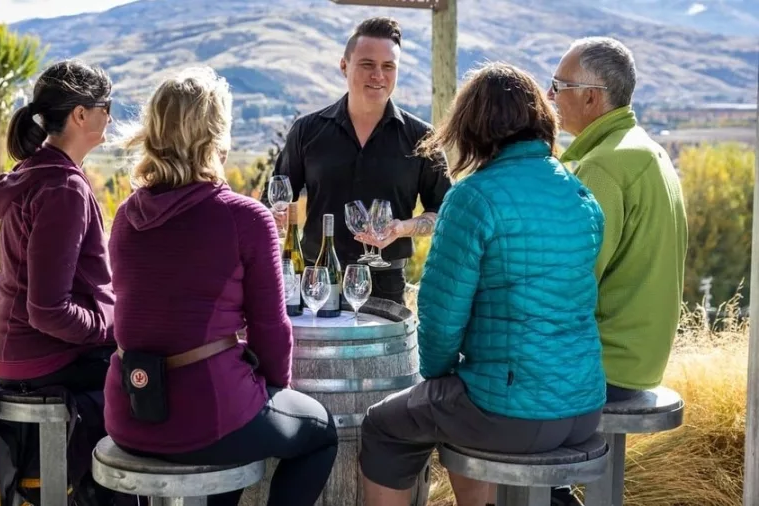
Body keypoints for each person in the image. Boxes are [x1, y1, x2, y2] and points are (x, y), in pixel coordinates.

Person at [357, 62, 607, 506]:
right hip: (584, 406)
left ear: (473, 126)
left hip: (510, 411)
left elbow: (440, 315)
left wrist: (435, 375)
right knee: (453, 401)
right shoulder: (578, 192)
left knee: (384, 426)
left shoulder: (473, 197)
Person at [103, 66, 338, 506]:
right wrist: (273, 391)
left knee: (231, 419)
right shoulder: (244, 218)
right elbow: (271, 330)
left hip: (128, 412)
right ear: (216, 136)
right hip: (204, 414)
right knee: (320, 431)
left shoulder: (126, 217)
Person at [267, 16, 451, 305]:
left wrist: (402, 229)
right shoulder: (307, 131)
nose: (378, 74)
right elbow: (278, 198)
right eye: (367, 64)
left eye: (388, 66)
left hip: (386, 284)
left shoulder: (423, 138)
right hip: (316, 281)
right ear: (344, 66)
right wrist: (277, 217)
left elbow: (444, 214)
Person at [549, 37, 688, 403]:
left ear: (591, 97)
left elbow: (572, 282)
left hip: (602, 367)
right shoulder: (647, 150)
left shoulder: (602, 166)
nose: (549, 97)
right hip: (640, 362)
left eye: (558, 86)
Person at [0, 59, 116, 392]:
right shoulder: (62, 188)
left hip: (12, 349)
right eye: (107, 107)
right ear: (81, 115)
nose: (111, 118)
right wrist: (109, 328)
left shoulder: (33, 171)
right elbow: (48, 311)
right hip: (43, 356)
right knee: (161, 377)